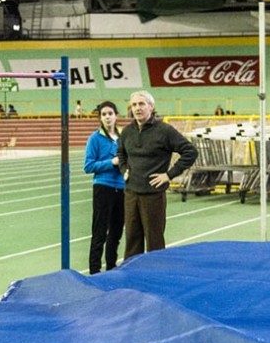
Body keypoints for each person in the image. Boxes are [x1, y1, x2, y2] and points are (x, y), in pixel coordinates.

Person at [116, 90, 197, 260]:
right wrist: (124, 169)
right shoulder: (127, 131)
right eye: (134, 105)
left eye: (141, 104)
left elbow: (190, 151)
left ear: (151, 107)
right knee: (131, 239)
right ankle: (131, 274)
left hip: (153, 195)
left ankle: (155, 274)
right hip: (131, 193)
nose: (137, 108)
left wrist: (169, 175)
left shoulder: (164, 130)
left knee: (154, 241)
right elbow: (121, 152)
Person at [83, 101, 125, 275]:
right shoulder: (95, 138)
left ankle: (111, 267)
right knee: (100, 231)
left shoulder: (124, 136)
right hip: (103, 188)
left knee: (116, 231)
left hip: (122, 188)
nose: (107, 117)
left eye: (110, 113)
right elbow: (88, 166)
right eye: (104, 114)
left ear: (116, 115)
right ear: (100, 117)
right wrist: (111, 162)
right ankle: (94, 270)